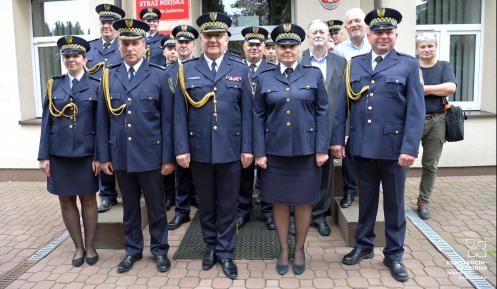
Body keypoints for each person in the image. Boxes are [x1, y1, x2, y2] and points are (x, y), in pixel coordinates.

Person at [331, 8, 425, 282]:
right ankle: (363, 245)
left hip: (395, 149)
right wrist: (337, 140)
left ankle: (394, 254)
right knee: (366, 200)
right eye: (378, 32)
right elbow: (342, 107)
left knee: (394, 203)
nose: (383, 36)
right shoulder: (354, 64)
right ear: (369, 36)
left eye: (388, 32)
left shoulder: (408, 65)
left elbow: (416, 112)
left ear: (395, 35)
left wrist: (409, 148)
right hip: (362, 146)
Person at [174, 12, 253, 279]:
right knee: (206, 204)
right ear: (201, 40)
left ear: (226, 38)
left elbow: (248, 113)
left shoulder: (239, 69)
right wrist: (182, 148)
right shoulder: (187, 70)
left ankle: (226, 252)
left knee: (228, 204)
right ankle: (210, 247)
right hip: (199, 150)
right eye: (208, 36)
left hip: (231, 149)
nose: (213, 40)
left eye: (218, 35)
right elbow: (179, 114)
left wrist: (248, 148)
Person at [97, 18, 174, 274]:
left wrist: (167, 158)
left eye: (135, 43)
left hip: (151, 154)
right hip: (122, 155)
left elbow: (167, 121)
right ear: (119, 46)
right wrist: (104, 156)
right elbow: (103, 121)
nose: (131, 48)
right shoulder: (109, 77)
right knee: (129, 207)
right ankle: (132, 251)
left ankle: (160, 250)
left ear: (145, 45)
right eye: (126, 43)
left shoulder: (159, 76)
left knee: (156, 206)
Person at [254, 23, 329, 276]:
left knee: (304, 201)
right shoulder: (264, 77)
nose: (287, 50)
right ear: (275, 49)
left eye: (292, 46)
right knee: (279, 201)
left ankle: (299, 248)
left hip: (307, 151)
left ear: (299, 48)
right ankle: (283, 249)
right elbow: (257, 115)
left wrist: (321, 148)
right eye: (282, 46)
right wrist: (259, 152)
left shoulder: (313, 74)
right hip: (274, 151)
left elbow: (322, 111)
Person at [38, 36, 101, 267]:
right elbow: (47, 122)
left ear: (85, 58)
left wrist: (99, 156)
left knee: (88, 199)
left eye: (76, 56)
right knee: (65, 201)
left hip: (86, 154)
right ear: (63, 60)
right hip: (59, 153)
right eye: (67, 57)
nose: (71, 60)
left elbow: (101, 125)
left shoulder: (96, 85)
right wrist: (43, 155)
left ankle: (91, 246)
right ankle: (78, 247)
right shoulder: (54, 84)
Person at [301, 19, 347, 237]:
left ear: (329, 36)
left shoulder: (340, 63)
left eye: (322, 31)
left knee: (324, 174)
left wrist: (342, 133)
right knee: (299, 174)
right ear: (309, 37)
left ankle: (319, 215)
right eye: (314, 32)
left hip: (329, 128)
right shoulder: (298, 60)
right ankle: (296, 215)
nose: (318, 35)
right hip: (300, 128)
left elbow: (345, 99)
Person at [86, 3, 125, 213]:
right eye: (104, 22)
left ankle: (127, 191)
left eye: (110, 23)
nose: (107, 26)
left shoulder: (125, 46)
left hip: (118, 105)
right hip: (94, 106)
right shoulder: (90, 48)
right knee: (102, 147)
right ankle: (107, 194)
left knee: (121, 146)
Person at [237, 26, 275, 230]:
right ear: (244, 46)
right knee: (242, 173)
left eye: (258, 44)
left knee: (267, 172)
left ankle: (268, 211)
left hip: (266, 130)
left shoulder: (272, 70)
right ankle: (243, 209)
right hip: (241, 130)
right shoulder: (236, 69)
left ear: (264, 47)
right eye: (250, 44)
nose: (254, 48)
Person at [332, 7, 371, 209]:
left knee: (369, 154)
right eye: (350, 22)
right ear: (346, 27)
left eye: (358, 20)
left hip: (372, 108)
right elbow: (339, 84)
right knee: (349, 153)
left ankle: (367, 192)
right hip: (349, 107)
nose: (354, 24)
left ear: (364, 24)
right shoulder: (340, 51)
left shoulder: (373, 44)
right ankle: (349, 191)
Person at [416, 33, 456, 220]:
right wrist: (436, 88)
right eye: (423, 46)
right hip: (413, 120)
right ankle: (396, 201)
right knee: (402, 161)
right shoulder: (411, 66)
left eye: (430, 46)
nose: (426, 49)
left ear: (435, 47)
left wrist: (424, 89)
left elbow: (450, 88)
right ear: (417, 49)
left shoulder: (444, 66)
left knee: (430, 165)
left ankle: (423, 202)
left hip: (438, 119)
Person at [166, 24, 200, 231]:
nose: (184, 45)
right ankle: (182, 211)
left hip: (198, 128)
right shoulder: (167, 71)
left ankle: (198, 201)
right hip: (176, 128)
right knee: (181, 173)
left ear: (194, 45)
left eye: (187, 42)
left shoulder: (199, 67)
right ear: (175, 45)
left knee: (200, 170)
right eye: (180, 42)